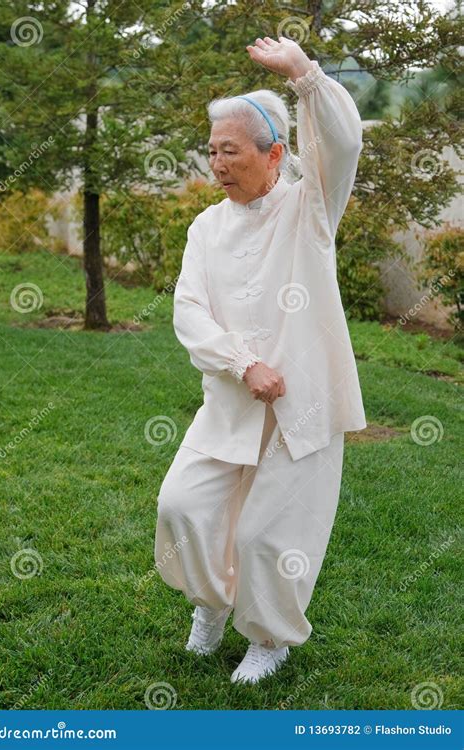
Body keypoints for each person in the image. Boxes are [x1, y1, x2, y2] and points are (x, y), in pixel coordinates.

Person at [154, 35, 367, 685]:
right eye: (213, 149)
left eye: (231, 150)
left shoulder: (309, 210)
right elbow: (188, 308)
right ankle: (212, 606)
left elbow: (343, 145)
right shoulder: (206, 229)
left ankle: (270, 639)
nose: (217, 163)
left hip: (300, 409)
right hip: (230, 400)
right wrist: (243, 362)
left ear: (275, 153)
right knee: (182, 507)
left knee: (266, 538)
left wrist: (304, 75)